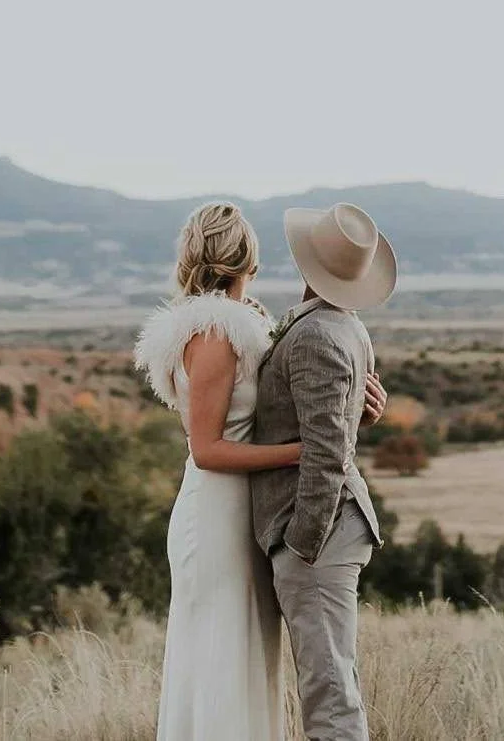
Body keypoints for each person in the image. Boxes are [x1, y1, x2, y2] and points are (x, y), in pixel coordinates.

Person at [134, 202, 387, 741]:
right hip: (218, 511)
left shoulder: (257, 321)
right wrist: (309, 450)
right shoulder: (212, 333)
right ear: (249, 257)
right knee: (222, 655)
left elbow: (300, 395)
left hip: (251, 510)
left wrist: (352, 410)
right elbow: (206, 450)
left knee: (251, 655)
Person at [250, 202, 398, 741]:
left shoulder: (317, 335)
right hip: (328, 526)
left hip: (319, 530)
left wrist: (302, 543)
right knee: (331, 680)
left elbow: (328, 450)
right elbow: (337, 421)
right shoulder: (344, 325)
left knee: (328, 692)